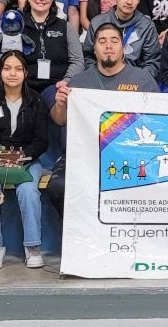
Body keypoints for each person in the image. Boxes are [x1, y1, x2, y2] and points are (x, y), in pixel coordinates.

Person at [47, 23, 159, 216]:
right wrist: (60, 104)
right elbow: (59, 120)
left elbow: (158, 120)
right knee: (58, 186)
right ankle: (76, 236)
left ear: (123, 48)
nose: (108, 46)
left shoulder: (143, 80)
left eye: (114, 41)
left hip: (129, 155)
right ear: (95, 49)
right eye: (102, 41)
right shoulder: (79, 82)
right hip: (84, 155)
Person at [0, 50, 48, 270]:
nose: (12, 73)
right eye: (7, 68)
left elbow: (42, 140)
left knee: (29, 191)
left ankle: (32, 246)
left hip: (26, 160)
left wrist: (23, 156)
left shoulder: (36, 101)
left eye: (17, 69)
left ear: (25, 73)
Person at [15, 0, 83, 108]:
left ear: (52, 0)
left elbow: (78, 61)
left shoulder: (65, 26)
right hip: (22, 86)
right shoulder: (16, 25)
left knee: (60, 105)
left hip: (56, 86)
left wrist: (65, 81)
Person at [82, 0, 161, 78]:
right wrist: (98, 78)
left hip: (134, 82)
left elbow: (152, 63)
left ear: (139, 0)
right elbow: (88, 57)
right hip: (102, 80)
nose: (129, 1)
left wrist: (137, 81)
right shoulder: (98, 23)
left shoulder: (147, 26)